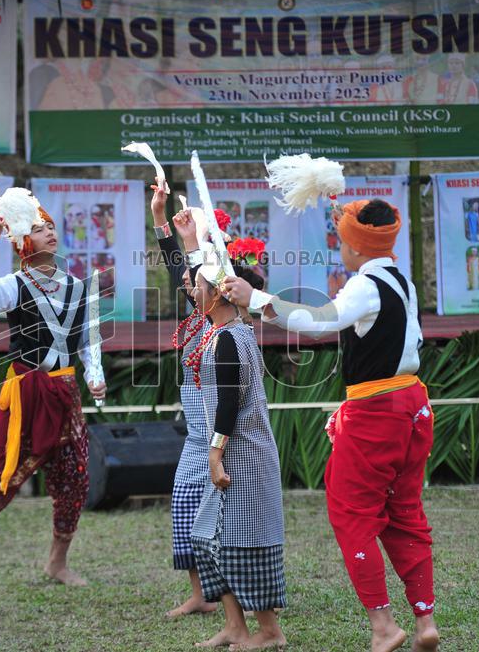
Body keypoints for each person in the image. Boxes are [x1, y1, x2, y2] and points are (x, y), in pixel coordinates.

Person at [223, 198, 439, 652]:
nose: (340, 250)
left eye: (343, 242)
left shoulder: (363, 284)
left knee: (352, 512)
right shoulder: (402, 280)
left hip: (376, 410)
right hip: (414, 405)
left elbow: (321, 322)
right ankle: (424, 621)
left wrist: (256, 299)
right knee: (405, 513)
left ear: (356, 248)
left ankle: (384, 627)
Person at [0, 188, 106, 589]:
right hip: (26, 393)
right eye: (40, 229)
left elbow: (89, 339)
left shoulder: (80, 288)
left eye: (52, 227)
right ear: (25, 240)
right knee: (2, 476)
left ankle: (57, 563)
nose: (50, 233)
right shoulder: (13, 285)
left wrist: (95, 374)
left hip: (65, 391)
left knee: (75, 476)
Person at [186, 238, 287, 651]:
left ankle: (269, 632)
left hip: (240, 454)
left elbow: (228, 402)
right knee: (208, 536)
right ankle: (234, 626)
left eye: (197, 286)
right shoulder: (230, 331)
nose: (191, 292)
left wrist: (214, 452)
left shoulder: (229, 338)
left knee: (241, 542)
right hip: (239, 451)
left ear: (215, 294)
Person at [149, 181, 217, 618]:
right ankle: (202, 594)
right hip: (196, 434)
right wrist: (160, 218)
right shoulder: (195, 307)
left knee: (225, 519)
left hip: (224, 434)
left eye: (199, 280)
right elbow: (181, 269)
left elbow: (197, 269)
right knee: (185, 504)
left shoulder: (226, 311)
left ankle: (238, 597)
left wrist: (194, 241)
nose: (190, 286)